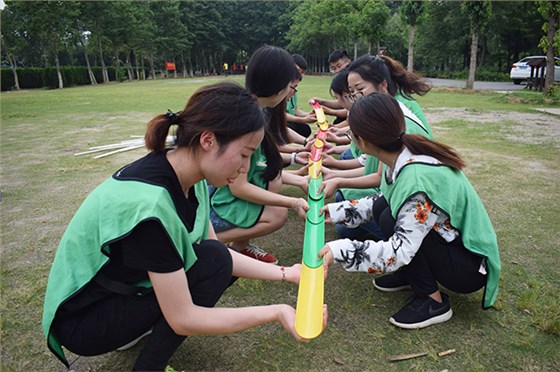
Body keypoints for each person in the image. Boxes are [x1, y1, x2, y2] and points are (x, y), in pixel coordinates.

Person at [41, 82, 328, 371]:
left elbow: (215, 252)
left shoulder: (188, 171)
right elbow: (183, 318)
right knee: (204, 278)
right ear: (208, 140)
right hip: (84, 320)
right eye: (244, 155)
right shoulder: (150, 210)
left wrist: (288, 274)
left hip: (119, 290)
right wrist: (277, 312)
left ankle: (139, 324)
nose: (246, 167)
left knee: (214, 259)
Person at [319, 93, 500, 329]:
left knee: (395, 221)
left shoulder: (416, 181)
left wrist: (339, 249)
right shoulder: (401, 154)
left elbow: (399, 252)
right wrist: (335, 212)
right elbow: (382, 200)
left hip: (469, 269)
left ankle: (433, 302)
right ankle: (411, 277)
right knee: (386, 210)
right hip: (452, 246)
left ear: (362, 141)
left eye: (350, 134)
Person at [209, 45, 309, 265]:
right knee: (276, 214)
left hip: (212, 196)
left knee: (271, 182)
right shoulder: (247, 121)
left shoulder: (249, 108)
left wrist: (298, 175)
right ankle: (206, 242)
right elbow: (239, 186)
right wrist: (292, 202)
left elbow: (257, 168)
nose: (291, 93)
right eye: (291, 86)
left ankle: (240, 246)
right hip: (210, 204)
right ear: (278, 88)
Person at [286, 54, 316, 139]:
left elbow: (295, 110)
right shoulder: (283, 88)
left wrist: (309, 115)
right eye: (298, 71)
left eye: (303, 72)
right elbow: (279, 115)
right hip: (280, 122)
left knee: (305, 129)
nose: (301, 75)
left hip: (289, 120)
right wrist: (304, 119)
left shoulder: (293, 89)